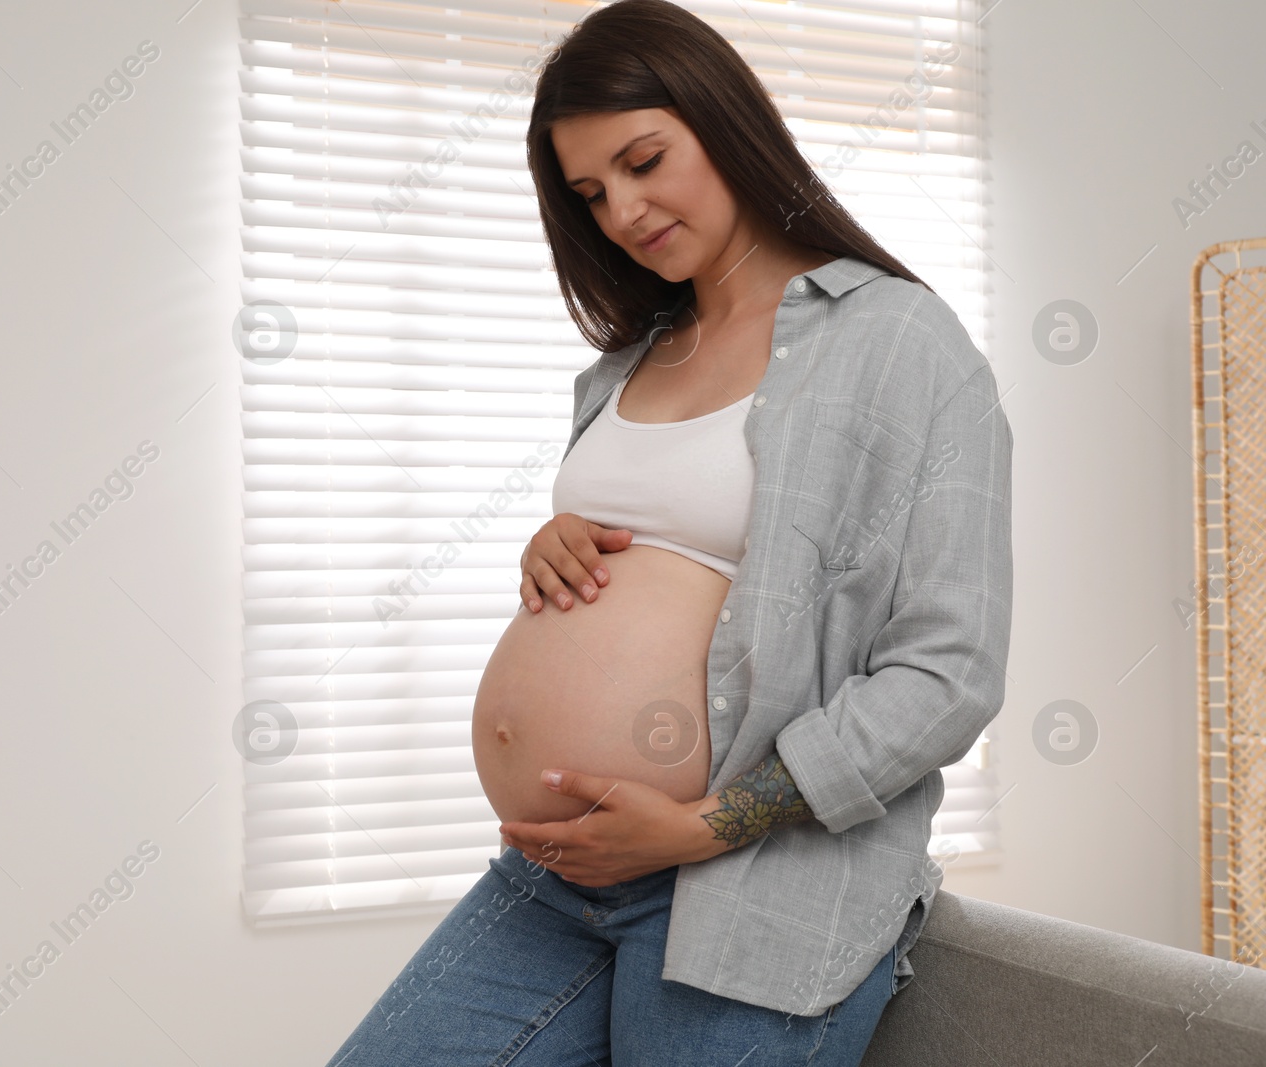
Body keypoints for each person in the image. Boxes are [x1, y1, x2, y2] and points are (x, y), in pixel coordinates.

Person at [322, 1, 1013, 1064]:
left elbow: (947, 669)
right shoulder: (631, 357)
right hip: (555, 878)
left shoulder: (898, 343)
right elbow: (674, 553)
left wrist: (707, 821)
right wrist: (551, 543)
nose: (626, 210)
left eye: (646, 161)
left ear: (725, 120)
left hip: (755, 883)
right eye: (592, 193)